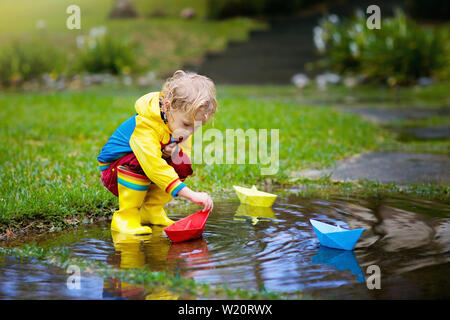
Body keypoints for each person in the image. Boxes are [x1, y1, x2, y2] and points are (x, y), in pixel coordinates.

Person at [97, 70, 216, 235]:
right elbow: (153, 166)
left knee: (182, 164)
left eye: (197, 127)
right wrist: (190, 195)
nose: (189, 132)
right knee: (138, 162)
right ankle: (125, 217)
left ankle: (152, 210)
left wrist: (174, 153)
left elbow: (183, 155)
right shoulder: (146, 125)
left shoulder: (176, 122)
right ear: (168, 106)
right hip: (114, 172)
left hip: (145, 169)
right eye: (187, 124)